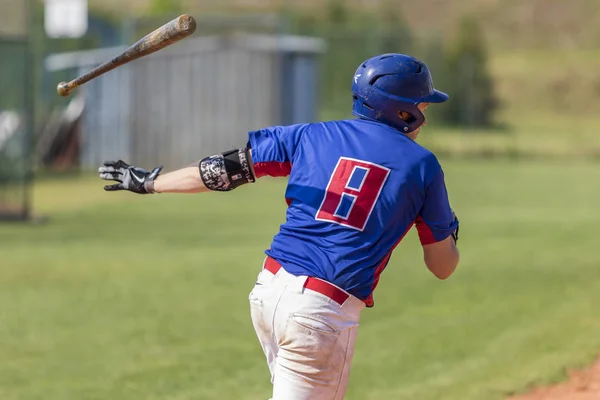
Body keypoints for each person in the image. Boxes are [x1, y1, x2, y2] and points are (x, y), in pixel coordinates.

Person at [98, 53, 460, 400]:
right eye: (422, 107)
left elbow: (222, 170)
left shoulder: (311, 135)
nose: (424, 117)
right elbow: (442, 267)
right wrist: (448, 230)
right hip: (320, 312)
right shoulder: (421, 166)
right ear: (402, 112)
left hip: (270, 290)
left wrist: (149, 183)